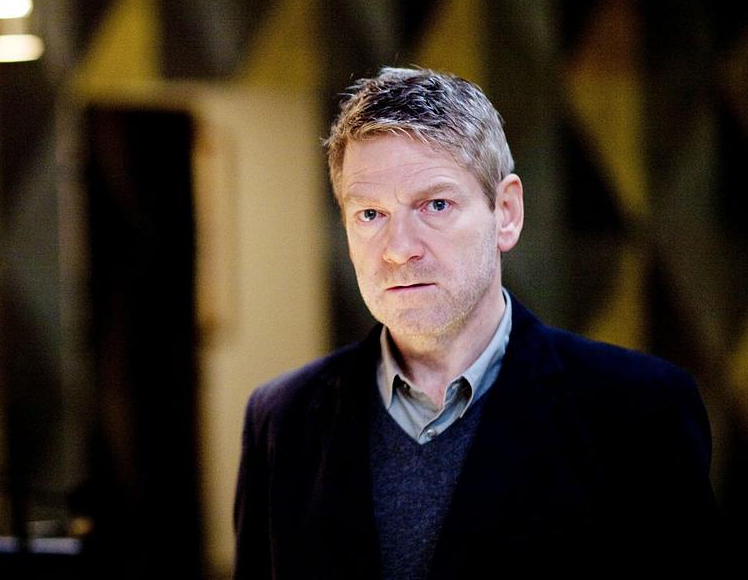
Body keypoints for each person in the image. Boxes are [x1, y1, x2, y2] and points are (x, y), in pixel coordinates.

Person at [233, 67, 719, 579]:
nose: (398, 250)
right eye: (370, 214)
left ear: (505, 212)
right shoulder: (281, 420)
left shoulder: (640, 411)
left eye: (435, 205)